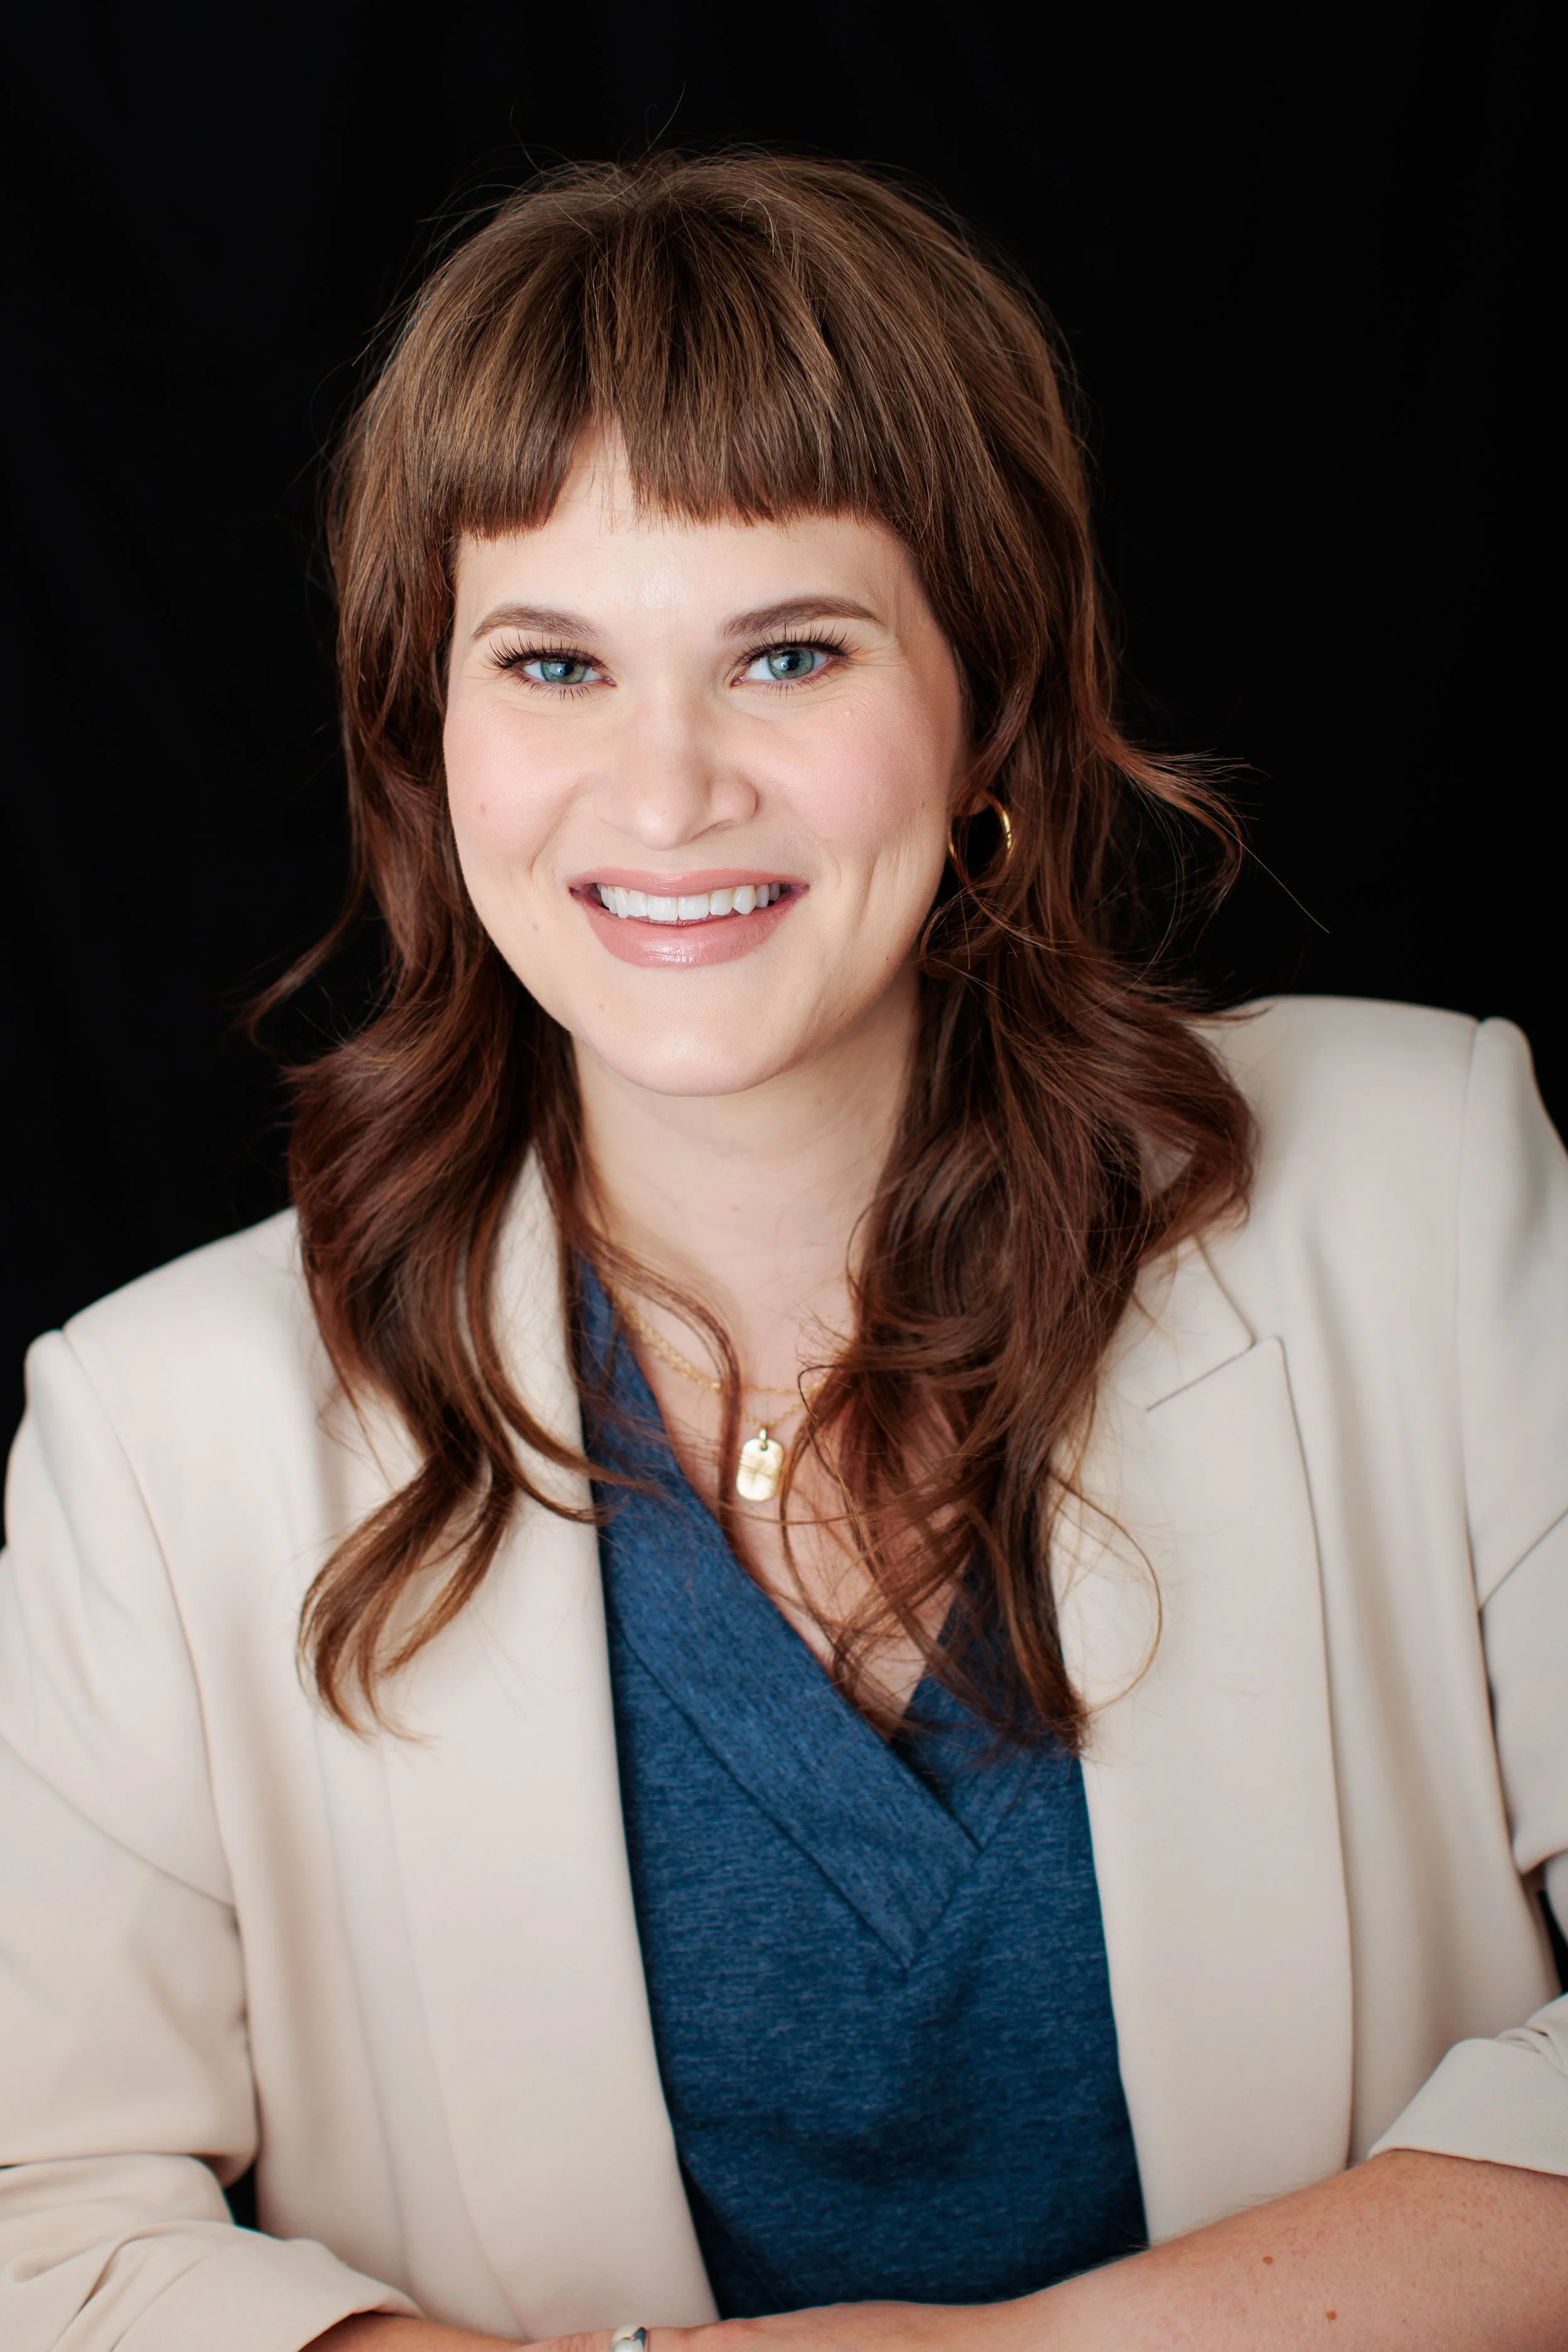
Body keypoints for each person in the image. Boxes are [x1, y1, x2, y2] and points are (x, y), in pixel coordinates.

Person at [1, 151, 1565, 2352]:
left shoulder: (1428, 1185)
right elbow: (37, 2226)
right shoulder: (160, 1431)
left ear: (985, 704)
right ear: (425, 736)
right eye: (549, 662)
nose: (662, 796)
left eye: (790, 651)